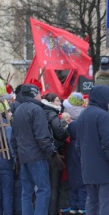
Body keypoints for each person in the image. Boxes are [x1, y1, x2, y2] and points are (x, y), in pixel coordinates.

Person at [11, 84, 63, 215]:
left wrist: (17, 156)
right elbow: (42, 136)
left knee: (26, 191)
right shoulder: (36, 109)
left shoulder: (18, 110)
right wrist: (51, 153)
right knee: (43, 190)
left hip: (23, 157)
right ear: (35, 94)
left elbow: (13, 138)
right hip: (37, 156)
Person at [75, 85, 109, 214]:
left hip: (87, 168)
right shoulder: (103, 116)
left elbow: (78, 144)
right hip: (104, 168)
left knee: (92, 201)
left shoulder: (83, 114)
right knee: (105, 203)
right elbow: (107, 144)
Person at [41, 93, 69, 215]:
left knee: (45, 186)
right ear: (51, 102)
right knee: (54, 186)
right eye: (57, 100)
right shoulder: (52, 113)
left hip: (43, 152)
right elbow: (60, 133)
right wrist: (67, 129)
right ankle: (53, 211)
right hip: (54, 152)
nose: (59, 103)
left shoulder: (41, 111)